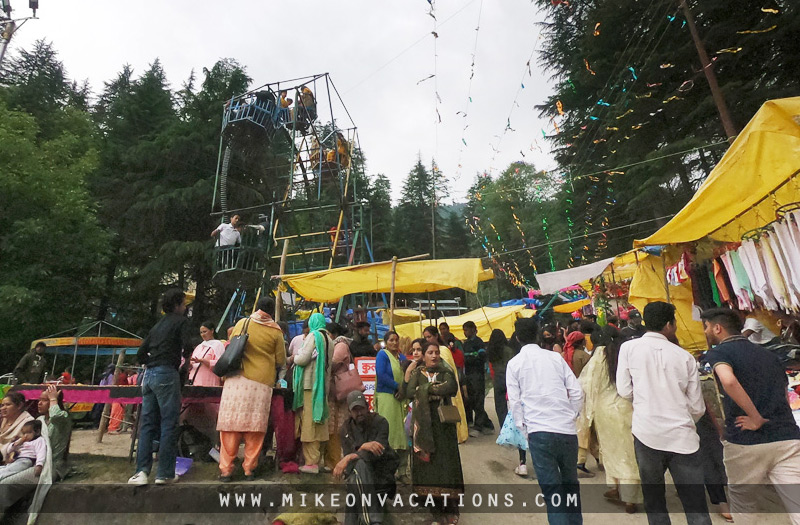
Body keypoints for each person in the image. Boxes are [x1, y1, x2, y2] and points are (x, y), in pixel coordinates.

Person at [702, 307, 800, 524]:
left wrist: (755, 417)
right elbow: (784, 393)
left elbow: (728, 380)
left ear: (717, 328)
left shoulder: (719, 352)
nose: (706, 331)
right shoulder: (769, 355)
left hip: (746, 441)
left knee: (744, 503)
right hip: (786, 437)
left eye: (706, 327)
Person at [616, 301, 710, 525]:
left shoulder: (628, 349)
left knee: (655, 503)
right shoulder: (685, 357)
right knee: (696, 506)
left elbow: (624, 390)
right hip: (683, 438)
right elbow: (697, 407)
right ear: (670, 324)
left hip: (646, 433)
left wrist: (645, 402)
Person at [507, 318, 584, 525]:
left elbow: (514, 403)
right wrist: (571, 416)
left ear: (517, 338)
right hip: (566, 431)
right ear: (539, 334)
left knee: (553, 493)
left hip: (539, 432)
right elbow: (577, 392)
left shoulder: (514, 364)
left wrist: (524, 431)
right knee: (570, 488)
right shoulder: (555, 359)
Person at [128, 288, 193, 486]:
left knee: (147, 424)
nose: (184, 308)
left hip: (149, 376)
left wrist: (151, 360)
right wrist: (183, 361)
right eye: (183, 304)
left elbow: (141, 353)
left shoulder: (156, 326)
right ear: (177, 305)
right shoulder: (181, 322)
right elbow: (188, 346)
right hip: (167, 374)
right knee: (168, 424)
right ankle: (164, 473)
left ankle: (141, 472)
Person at [217, 297, 285, 482]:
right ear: (272, 311)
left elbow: (232, 345)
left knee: (230, 426)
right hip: (260, 382)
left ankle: (226, 470)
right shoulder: (275, 331)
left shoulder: (242, 323)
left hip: (235, 379)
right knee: (255, 428)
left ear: (257, 308)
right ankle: (249, 469)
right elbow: (280, 359)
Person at [578, 326, 641, 513]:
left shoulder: (598, 357)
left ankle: (616, 489)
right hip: (628, 407)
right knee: (630, 453)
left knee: (612, 452)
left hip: (605, 411)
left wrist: (586, 415)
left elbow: (586, 385)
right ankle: (632, 497)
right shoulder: (626, 352)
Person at [405, 342, 464, 524]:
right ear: (423, 355)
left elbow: (451, 388)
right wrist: (433, 389)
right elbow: (408, 391)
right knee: (429, 466)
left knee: (446, 465)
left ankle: (451, 510)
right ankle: (436, 511)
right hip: (424, 427)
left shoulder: (446, 371)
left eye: (436, 352)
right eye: (430, 352)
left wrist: (425, 390)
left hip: (443, 427)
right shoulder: (417, 373)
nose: (434, 356)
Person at [334, 391, 400, 525]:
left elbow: (377, 453)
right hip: (359, 475)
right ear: (349, 412)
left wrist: (350, 456)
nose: (359, 413)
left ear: (367, 406)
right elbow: (352, 464)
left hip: (381, 474)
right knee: (357, 471)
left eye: (361, 409)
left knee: (357, 472)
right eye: (355, 410)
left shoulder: (381, 422)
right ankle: (373, 521)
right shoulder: (346, 429)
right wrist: (363, 448)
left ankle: (369, 520)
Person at [293, 313, 334, 474]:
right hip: (323, 386)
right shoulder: (329, 339)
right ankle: (317, 459)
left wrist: (294, 357)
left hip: (310, 385)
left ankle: (311, 462)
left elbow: (303, 359)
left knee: (310, 423)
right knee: (320, 422)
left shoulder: (313, 336)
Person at [182, 322, 226, 444]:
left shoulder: (218, 345)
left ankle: (213, 442)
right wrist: (190, 364)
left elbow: (220, 364)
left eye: (205, 331)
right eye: (201, 332)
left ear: (212, 330)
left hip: (209, 380)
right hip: (195, 379)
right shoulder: (199, 346)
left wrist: (204, 361)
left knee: (211, 411)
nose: (203, 335)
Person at [422, 326, 468, 443]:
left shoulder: (443, 350)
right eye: (425, 337)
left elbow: (448, 368)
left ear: (436, 336)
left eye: (429, 336)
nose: (427, 339)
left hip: (446, 384)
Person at [374, 331, 409, 482]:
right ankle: (388, 472)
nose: (394, 343)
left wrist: (404, 390)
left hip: (401, 399)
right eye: (391, 340)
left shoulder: (402, 358)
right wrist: (397, 387)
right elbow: (381, 375)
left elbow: (408, 374)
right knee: (389, 432)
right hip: (387, 397)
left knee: (403, 433)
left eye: (396, 340)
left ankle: (402, 471)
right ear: (386, 342)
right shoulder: (382, 355)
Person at [325, 322, 352, 470]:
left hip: (338, 391)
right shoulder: (338, 344)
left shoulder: (340, 345)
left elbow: (332, 362)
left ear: (333, 334)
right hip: (335, 390)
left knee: (335, 427)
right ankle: (331, 460)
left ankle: (335, 461)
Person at [462, 321, 493, 436]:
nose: (465, 332)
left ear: (474, 330)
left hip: (477, 374)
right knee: (471, 400)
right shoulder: (465, 344)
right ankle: (487, 423)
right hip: (468, 374)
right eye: (464, 330)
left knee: (478, 400)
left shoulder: (478, 342)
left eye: (467, 330)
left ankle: (479, 425)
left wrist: (470, 358)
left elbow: (481, 357)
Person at [36, 385, 71, 481]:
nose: (39, 403)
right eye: (39, 400)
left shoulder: (64, 417)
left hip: (53, 465)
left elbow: (55, 416)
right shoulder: (40, 420)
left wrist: (53, 399)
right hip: (37, 463)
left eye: (44, 400)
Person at [0, 393, 34, 460]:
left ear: (19, 406)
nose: (3, 408)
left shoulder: (28, 422)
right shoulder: (2, 421)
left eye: (8, 404)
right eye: (2, 405)